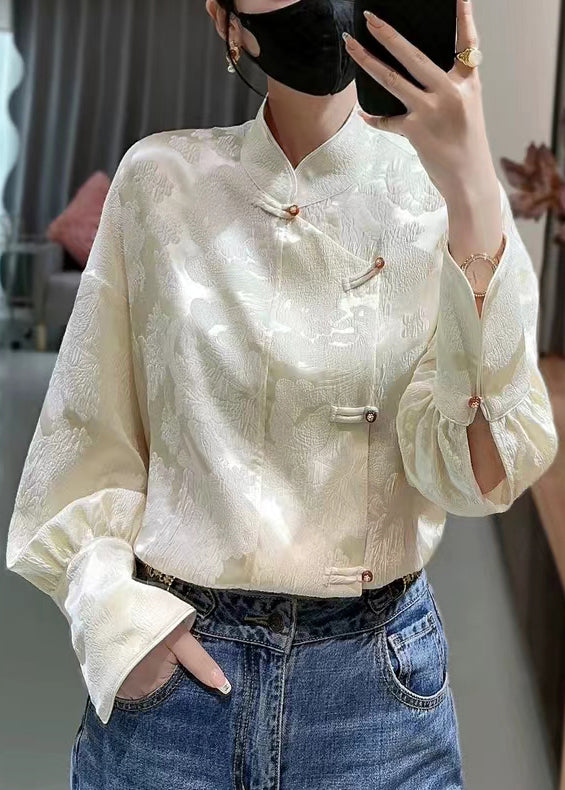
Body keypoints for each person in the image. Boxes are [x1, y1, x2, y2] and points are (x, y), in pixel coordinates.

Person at [5, 0, 558, 787]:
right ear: (224, 19)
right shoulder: (161, 181)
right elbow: (84, 445)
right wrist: (118, 623)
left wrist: (471, 189)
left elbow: (478, 476)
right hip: (176, 699)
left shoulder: (436, 197)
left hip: (375, 694)